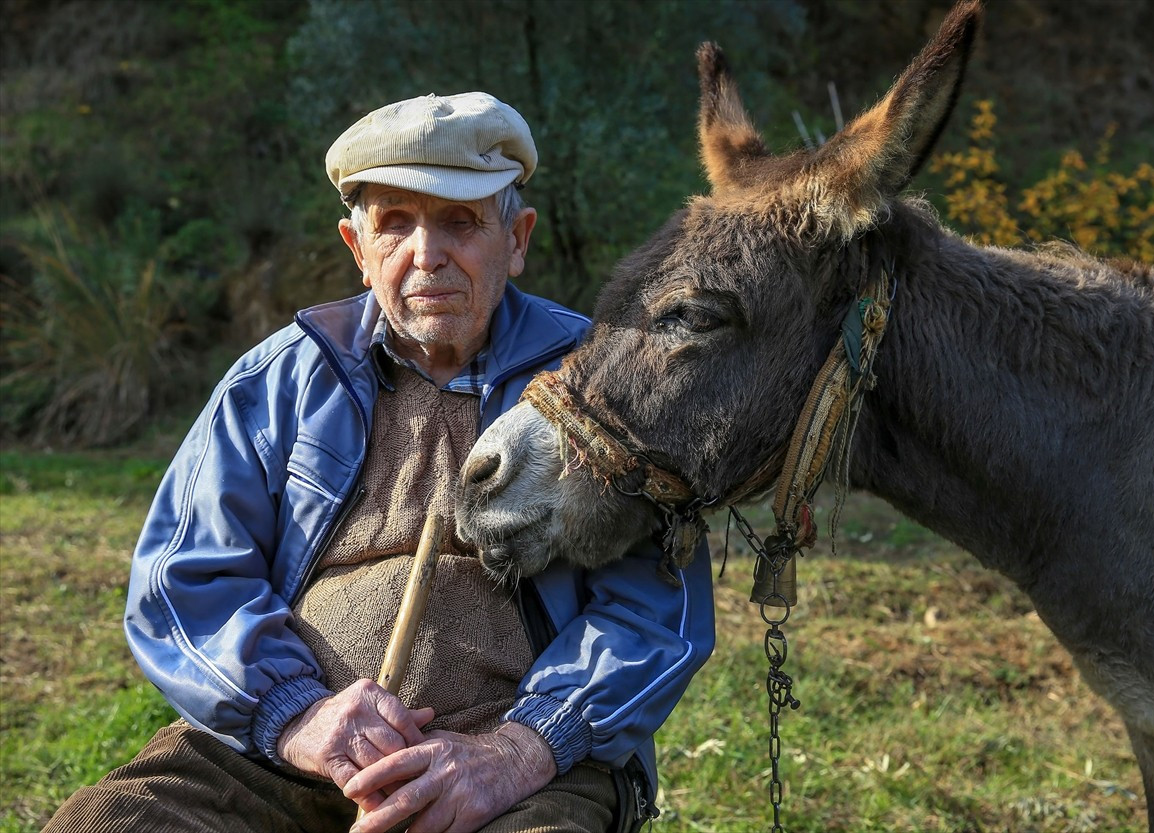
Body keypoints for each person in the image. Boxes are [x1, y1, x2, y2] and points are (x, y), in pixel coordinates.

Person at [42, 92, 715, 833]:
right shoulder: (279, 380)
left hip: (516, 771)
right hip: (285, 755)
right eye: (395, 224)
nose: (427, 254)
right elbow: (185, 578)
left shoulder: (601, 380)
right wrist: (298, 718)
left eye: (461, 222)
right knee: (108, 822)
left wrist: (521, 749)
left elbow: (658, 608)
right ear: (357, 250)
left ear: (517, 238)